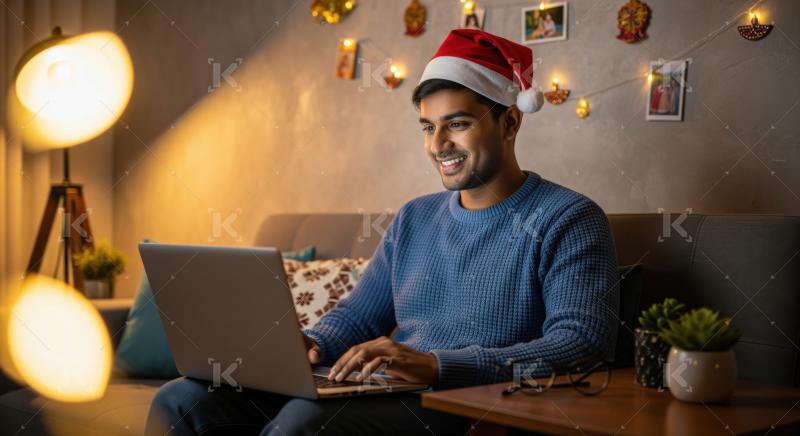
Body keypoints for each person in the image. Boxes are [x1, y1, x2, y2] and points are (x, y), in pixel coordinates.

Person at [145, 28, 619, 436]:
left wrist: (436, 365)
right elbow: (356, 318)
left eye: (456, 124)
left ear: (509, 121)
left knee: (303, 421)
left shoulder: (569, 218)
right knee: (181, 399)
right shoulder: (415, 217)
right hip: (392, 386)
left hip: (466, 400)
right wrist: (303, 348)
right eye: (427, 127)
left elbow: (582, 345)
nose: (437, 145)